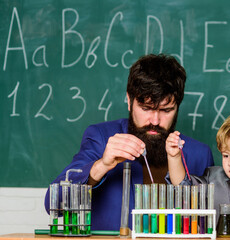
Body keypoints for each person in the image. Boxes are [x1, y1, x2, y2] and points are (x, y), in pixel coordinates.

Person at [44, 54, 214, 231]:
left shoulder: (199, 154)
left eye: (166, 110)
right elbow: (53, 204)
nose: (155, 120)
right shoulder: (101, 138)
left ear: (178, 106)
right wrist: (101, 165)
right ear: (129, 100)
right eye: (146, 108)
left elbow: (210, 223)